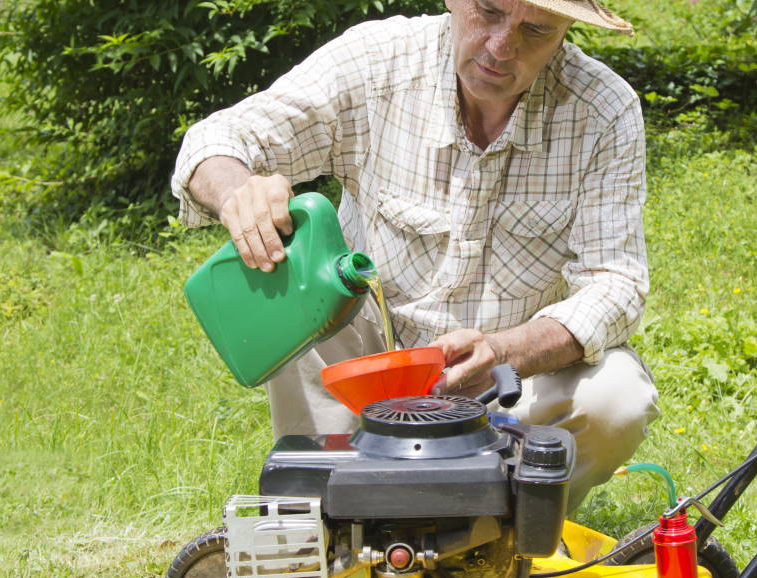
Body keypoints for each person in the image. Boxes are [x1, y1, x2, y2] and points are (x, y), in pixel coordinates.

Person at [171, 0, 653, 508]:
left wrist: (506, 352)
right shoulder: (377, 61)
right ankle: (326, 515)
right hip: (368, 350)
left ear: (567, 30)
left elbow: (615, 282)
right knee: (297, 286)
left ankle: (514, 529)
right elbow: (218, 139)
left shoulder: (603, 110)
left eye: (535, 29)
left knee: (617, 398)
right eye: (488, 11)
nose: (501, 47)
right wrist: (237, 192)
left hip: (511, 380)